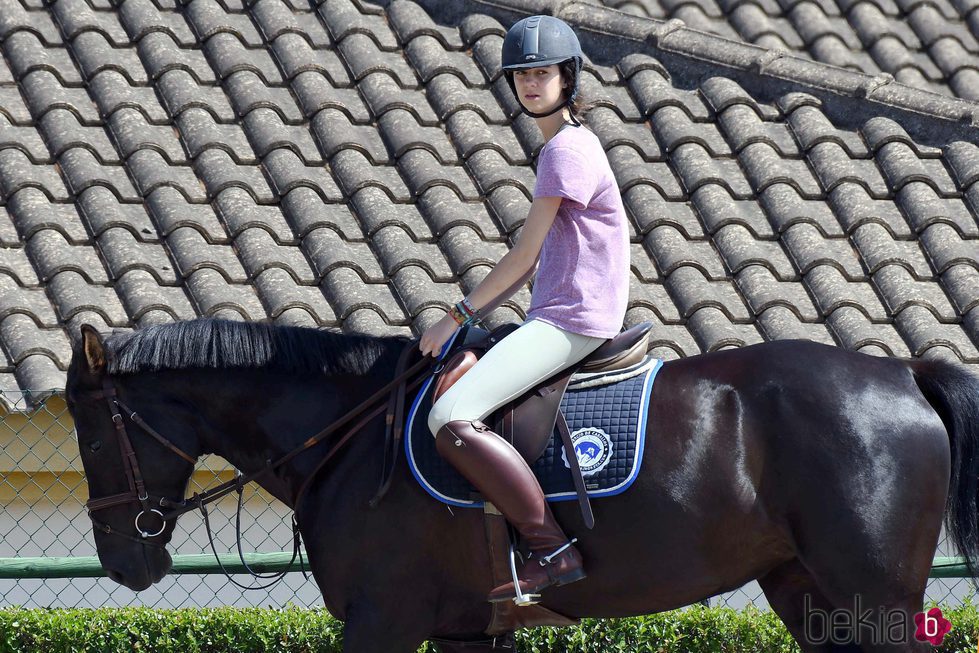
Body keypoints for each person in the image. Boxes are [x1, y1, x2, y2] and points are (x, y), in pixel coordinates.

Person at [418, 15, 630, 604]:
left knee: (452, 417)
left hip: (574, 319)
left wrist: (454, 317)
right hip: (562, 311)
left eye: (544, 73)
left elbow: (523, 258)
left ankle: (549, 548)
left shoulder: (566, 150)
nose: (532, 84)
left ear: (569, 77)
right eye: (522, 75)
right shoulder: (566, 146)